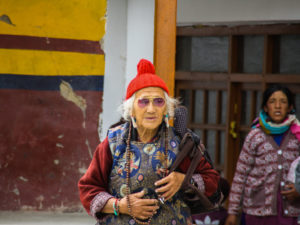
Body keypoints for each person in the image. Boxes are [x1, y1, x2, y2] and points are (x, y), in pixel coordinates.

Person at [78, 59, 220, 224]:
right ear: (131, 110)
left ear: (166, 109)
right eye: (144, 101)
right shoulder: (114, 142)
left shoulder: (181, 142)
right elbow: (88, 189)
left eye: (158, 101)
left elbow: (212, 181)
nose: (151, 109)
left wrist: (184, 180)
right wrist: (120, 206)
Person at [225, 84, 300, 225]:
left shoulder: (297, 136)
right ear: (265, 108)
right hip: (257, 212)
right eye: (272, 101)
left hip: (291, 212)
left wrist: (299, 190)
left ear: (290, 107)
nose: (278, 106)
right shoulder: (255, 136)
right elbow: (241, 175)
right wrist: (233, 212)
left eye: (283, 102)